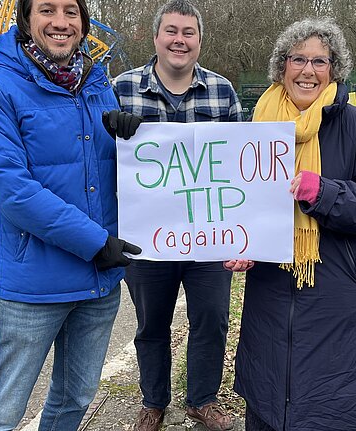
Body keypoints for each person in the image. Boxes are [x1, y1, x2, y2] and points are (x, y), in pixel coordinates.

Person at [225, 18, 356, 431]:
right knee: (270, 402)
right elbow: (240, 203)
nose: (307, 70)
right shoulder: (259, 127)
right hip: (270, 292)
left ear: (334, 70)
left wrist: (323, 193)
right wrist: (241, 244)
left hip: (337, 296)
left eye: (319, 61)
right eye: (298, 59)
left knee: (333, 406)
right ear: (281, 67)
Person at [0, 0, 142, 429]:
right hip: (35, 286)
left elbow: (112, 177)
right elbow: (13, 191)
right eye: (47, 10)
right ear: (27, 18)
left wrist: (133, 145)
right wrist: (97, 243)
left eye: (71, 11)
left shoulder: (98, 84)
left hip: (98, 283)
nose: (61, 22)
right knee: (3, 410)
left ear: (84, 22)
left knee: (75, 398)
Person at [113, 1, 243, 430]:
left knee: (212, 319)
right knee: (152, 324)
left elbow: (239, 167)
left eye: (189, 32)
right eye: (171, 30)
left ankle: (202, 399)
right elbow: (98, 159)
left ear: (200, 41)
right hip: (146, 238)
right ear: (155, 37)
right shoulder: (121, 88)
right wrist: (111, 128)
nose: (179, 40)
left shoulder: (222, 92)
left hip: (208, 234)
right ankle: (154, 401)